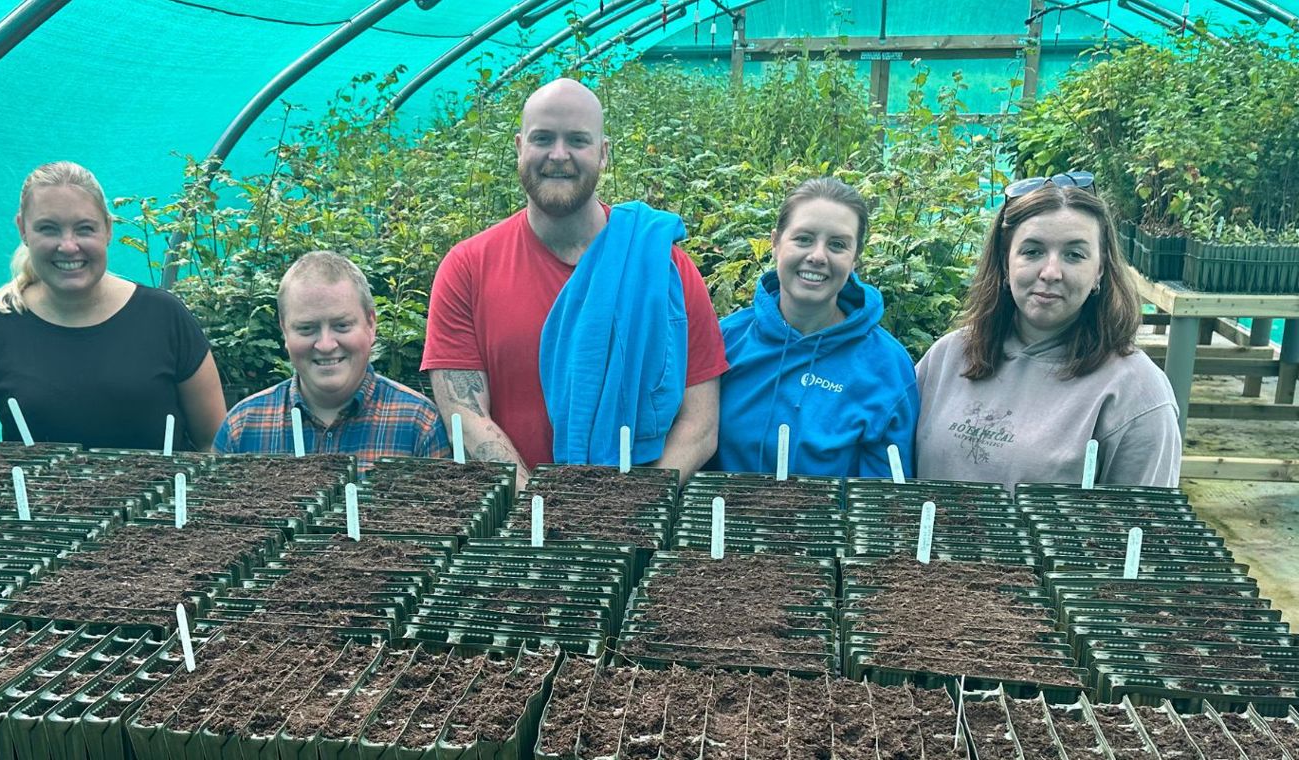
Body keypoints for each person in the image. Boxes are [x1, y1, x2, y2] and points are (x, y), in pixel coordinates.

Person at [422, 78, 728, 485]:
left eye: (578, 141)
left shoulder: (662, 264)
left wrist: (635, 505)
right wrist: (538, 512)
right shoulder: (467, 268)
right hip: (513, 524)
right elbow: (467, 414)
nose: (559, 155)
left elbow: (701, 422)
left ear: (603, 154)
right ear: (518, 148)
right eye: (543, 138)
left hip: (637, 523)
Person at [0, 161, 227, 469]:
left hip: (162, 532)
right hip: (38, 534)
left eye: (84, 228)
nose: (68, 246)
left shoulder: (164, 318)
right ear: (23, 230)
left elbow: (216, 441)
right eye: (49, 228)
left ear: (108, 229)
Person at [913, 173, 1181, 490]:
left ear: (1099, 270)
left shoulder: (1135, 392)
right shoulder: (946, 358)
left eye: (1074, 254)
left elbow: (1142, 528)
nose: (1051, 272)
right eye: (1033, 251)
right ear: (1004, 262)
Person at [711, 178, 919, 478]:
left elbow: (884, 504)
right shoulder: (725, 342)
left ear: (855, 259)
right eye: (804, 239)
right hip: (719, 523)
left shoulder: (887, 366)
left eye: (837, 245)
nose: (818, 256)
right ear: (775, 243)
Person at [215, 251, 450, 470]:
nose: (326, 345)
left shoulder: (419, 426)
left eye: (342, 326)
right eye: (307, 329)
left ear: (371, 325)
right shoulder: (242, 428)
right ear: (284, 331)